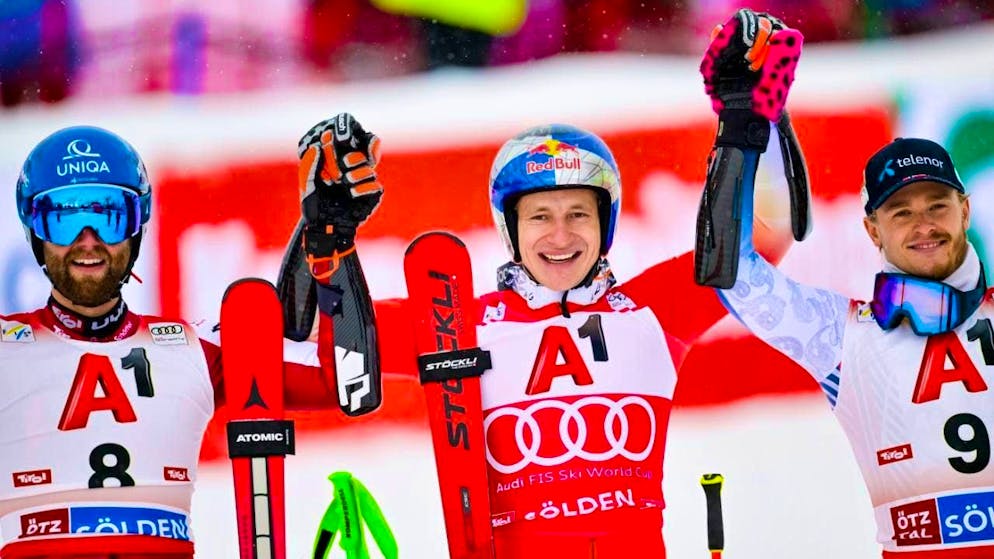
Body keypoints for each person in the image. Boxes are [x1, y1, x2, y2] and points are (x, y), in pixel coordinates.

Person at [294, 102, 794, 554]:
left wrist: (756, 115)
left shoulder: (654, 310)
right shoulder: (458, 322)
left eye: (579, 213)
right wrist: (323, 234)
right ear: (509, 228)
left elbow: (771, 235)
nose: (560, 235)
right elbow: (313, 326)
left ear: (606, 223)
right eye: (539, 216)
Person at [699, 9, 994, 558]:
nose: (924, 224)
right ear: (871, 230)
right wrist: (740, 127)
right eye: (901, 212)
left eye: (937, 205)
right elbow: (736, 278)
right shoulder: (842, 335)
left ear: (966, 210)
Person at [0, 125, 351, 559]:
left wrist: (333, 245)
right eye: (64, 217)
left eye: (110, 215)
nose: (87, 240)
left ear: (137, 226)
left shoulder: (194, 349)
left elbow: (343, 382)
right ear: (34, 230)